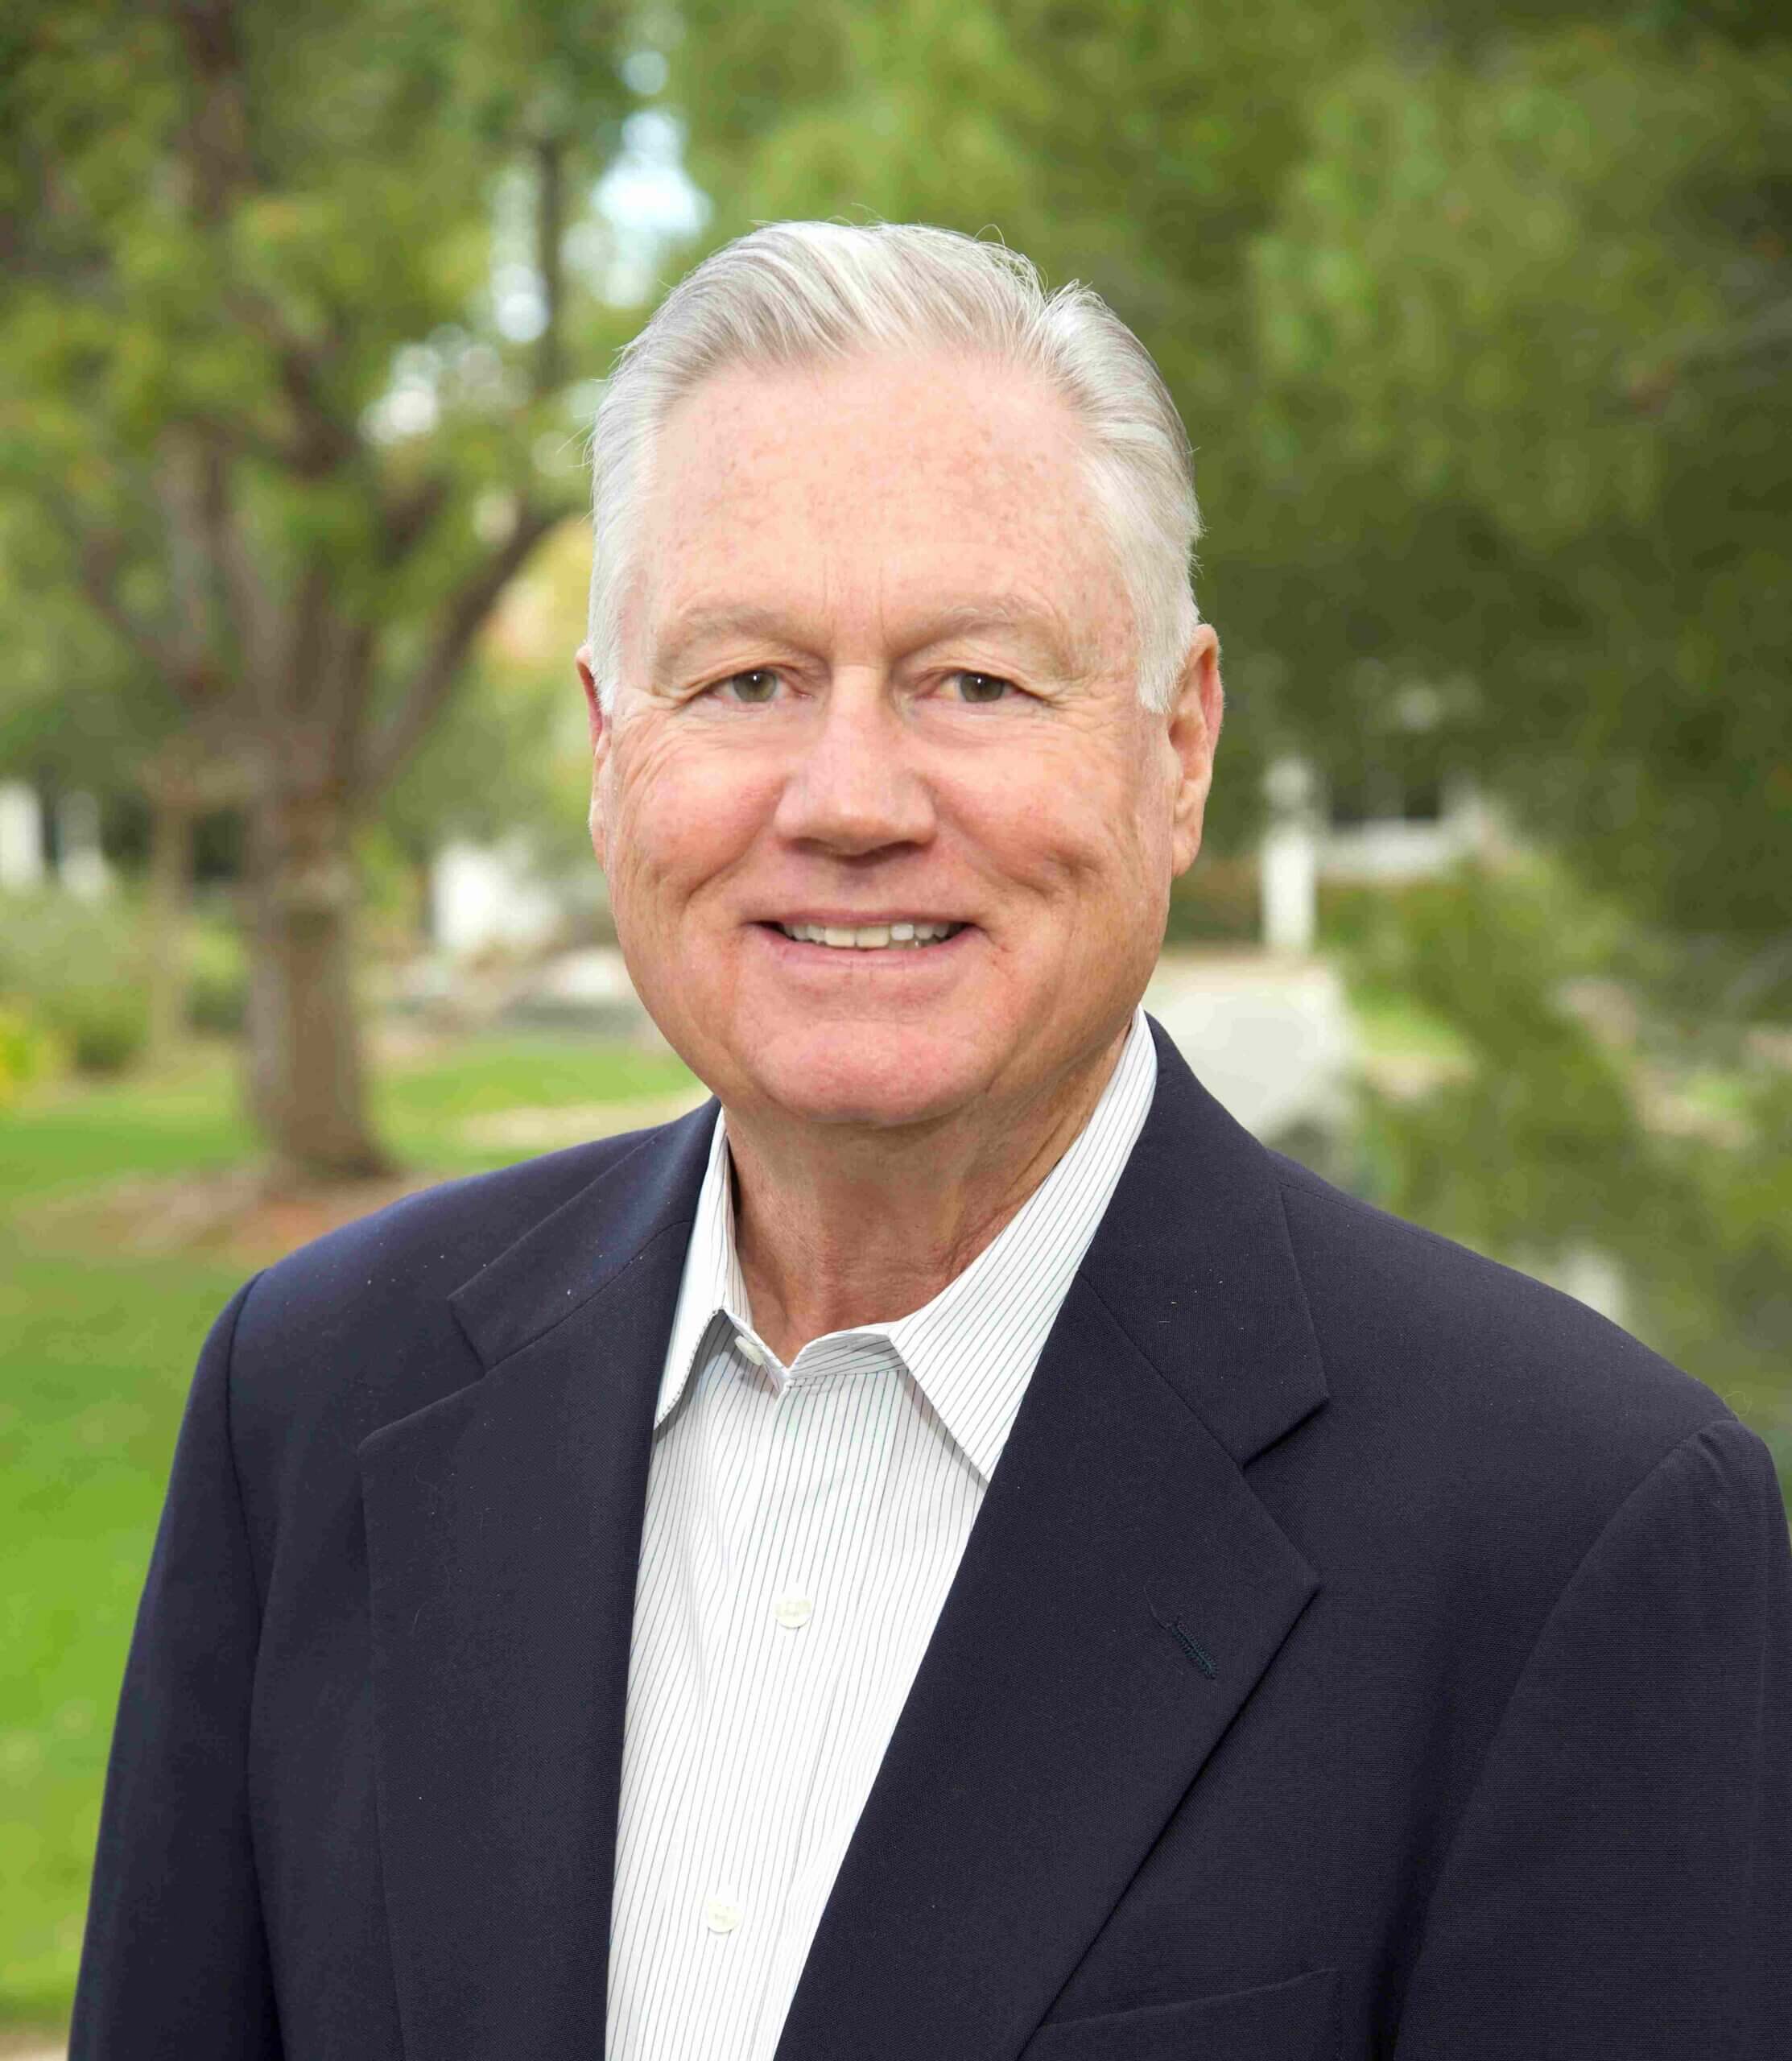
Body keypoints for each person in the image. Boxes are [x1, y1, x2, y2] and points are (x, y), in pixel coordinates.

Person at [72, 222, 1790, 2061]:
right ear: (604, 750)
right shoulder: (313, 1397)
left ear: (1180, 745)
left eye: (974, 680)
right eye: (745, 681)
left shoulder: (1571, 1530)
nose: (853, 800)